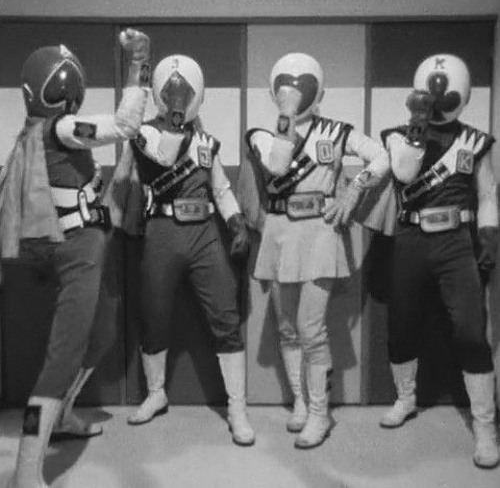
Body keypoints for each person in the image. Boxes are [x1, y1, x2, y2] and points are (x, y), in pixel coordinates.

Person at [332, 54, 499, 469]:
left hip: (456, 242)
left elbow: (487, 195)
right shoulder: (398, 137)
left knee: (470, 330)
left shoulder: (475, 141)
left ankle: (485, 425)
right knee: (401, 323)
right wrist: (356, 186)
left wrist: (489, 235)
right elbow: (396, 172)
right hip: (409, 239)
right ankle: (405, 399)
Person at [1, 28, 151, 488]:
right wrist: (138, 66)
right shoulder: (61, 129)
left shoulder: (36, 135)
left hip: (86, 247)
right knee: (60, 361)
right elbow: (124, 125)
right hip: (76, 253)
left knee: (100, 334)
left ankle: (63, 415)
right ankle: (27, 468)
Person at [237, 52, 389, 449]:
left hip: (321, 234)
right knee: (287, 327)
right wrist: (286, 115)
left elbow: (382, 157)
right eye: (286, 86)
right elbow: (277, 164)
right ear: (273, 92)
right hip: (279, 233)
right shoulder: (261, 133)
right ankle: (301, 403)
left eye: (303, 86)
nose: (294, 91)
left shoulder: (338, 132)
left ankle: (320, 413)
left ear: (318, 91)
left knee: (311, 328)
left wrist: (355, 189)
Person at [105, 54, 255, 446]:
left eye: (185, 92)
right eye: (172, 92)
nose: (178, 97)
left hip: (205, 234)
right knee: (154, 314)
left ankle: (237, 407)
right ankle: (156, 393)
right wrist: (174, 117)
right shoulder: (143, 133)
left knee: (225, 315)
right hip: (162, 232)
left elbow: (221, 189)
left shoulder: (207, 142)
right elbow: (165, 154)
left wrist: (236, 223)